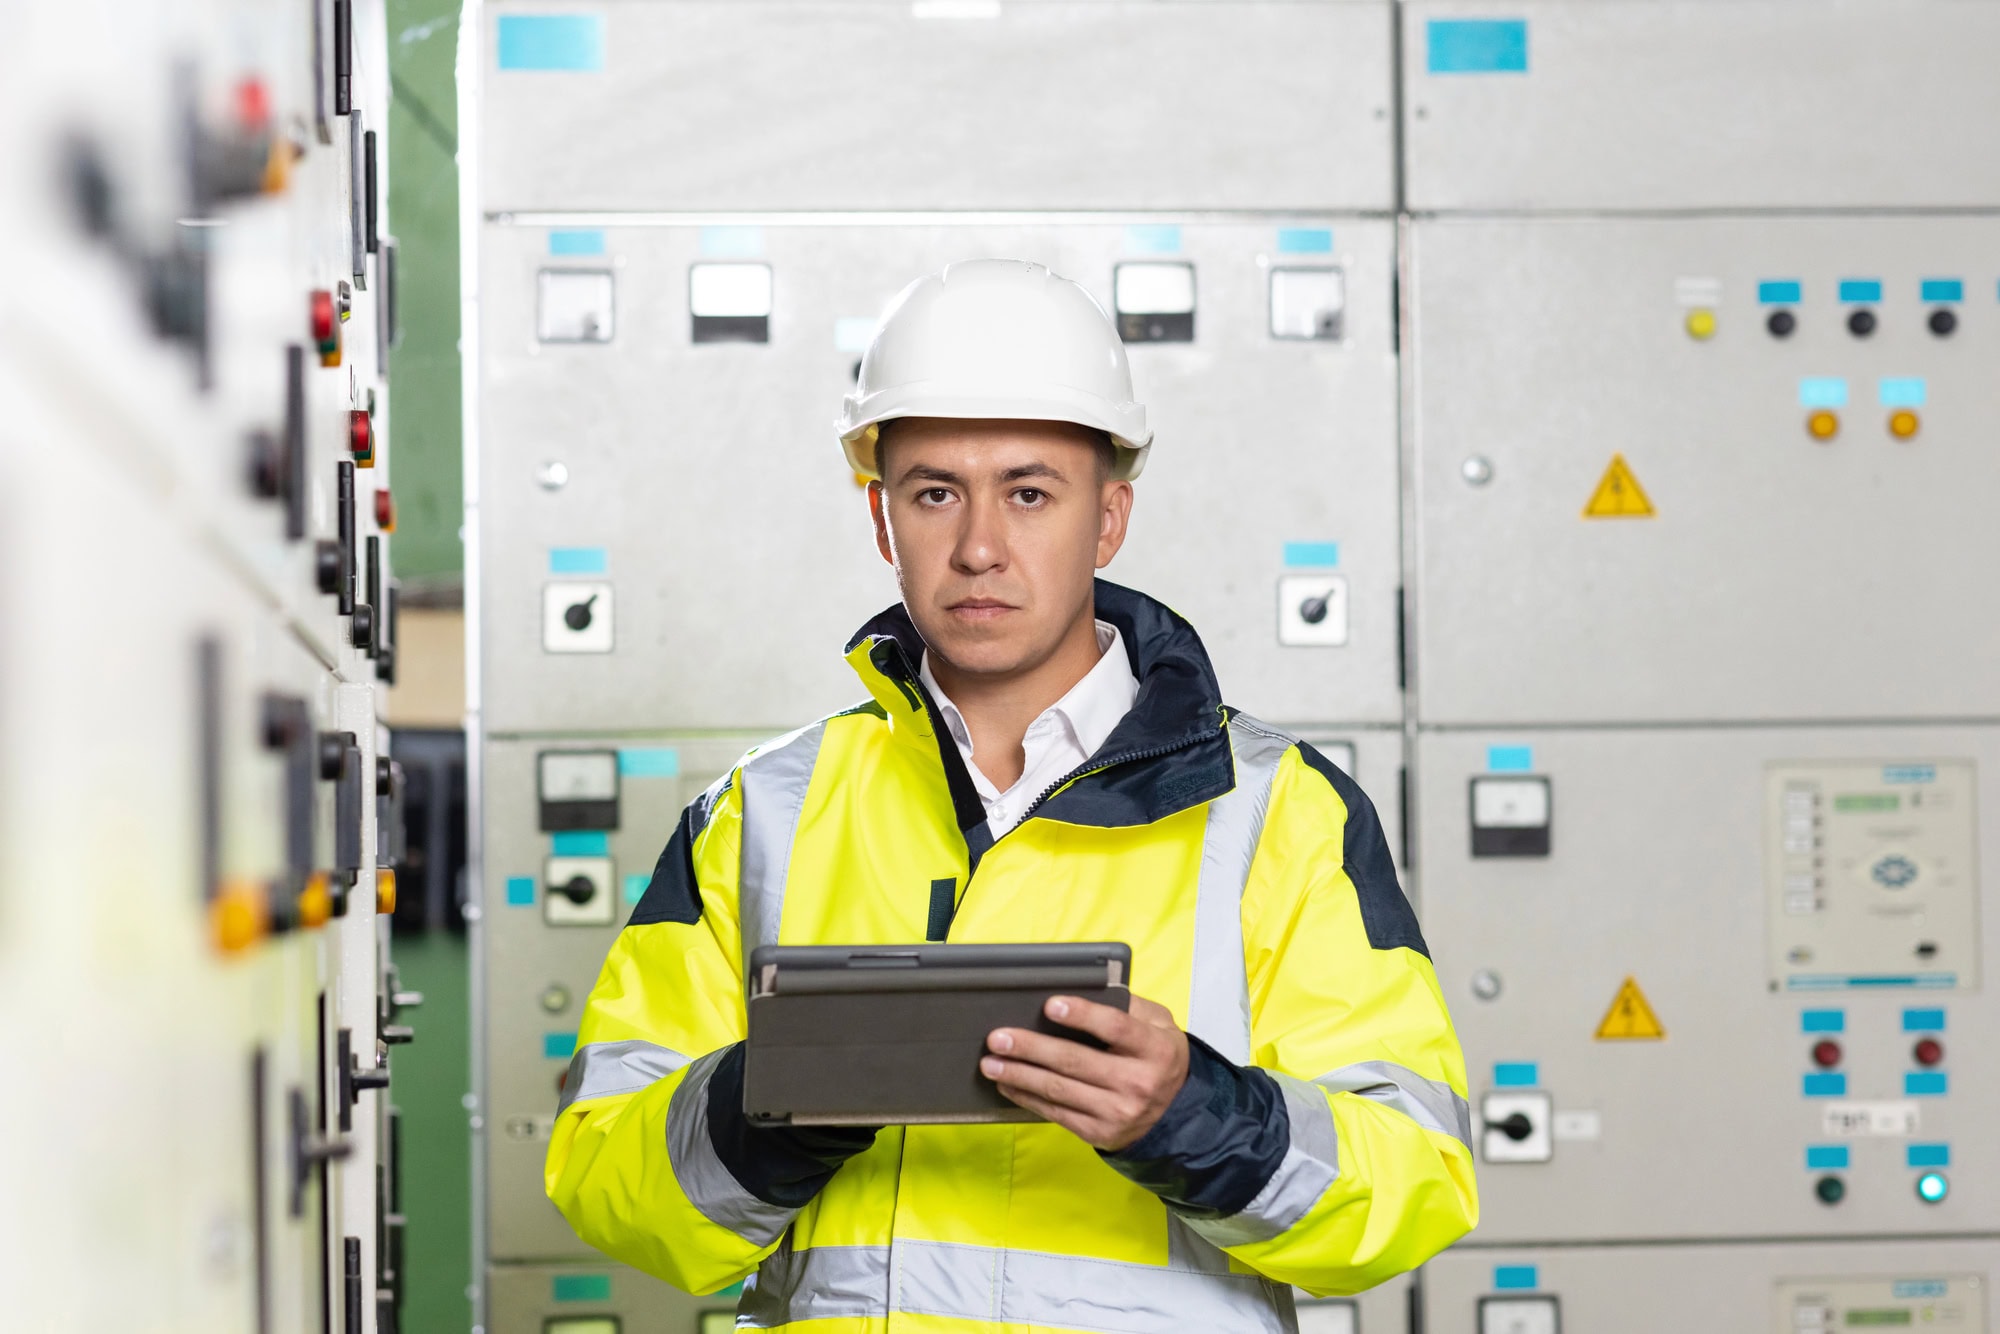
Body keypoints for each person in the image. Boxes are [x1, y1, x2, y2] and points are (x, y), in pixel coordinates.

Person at [545, 259, 1477, 1331]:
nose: (978, 544)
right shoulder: (760, 813)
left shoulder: (1280, 812)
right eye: (934, 491)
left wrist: (1192, 1114)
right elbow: (602, 1171)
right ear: (883, 519)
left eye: (1028, 492)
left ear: (1108, 517)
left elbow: (1415, 1182)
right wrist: (775, 1101)